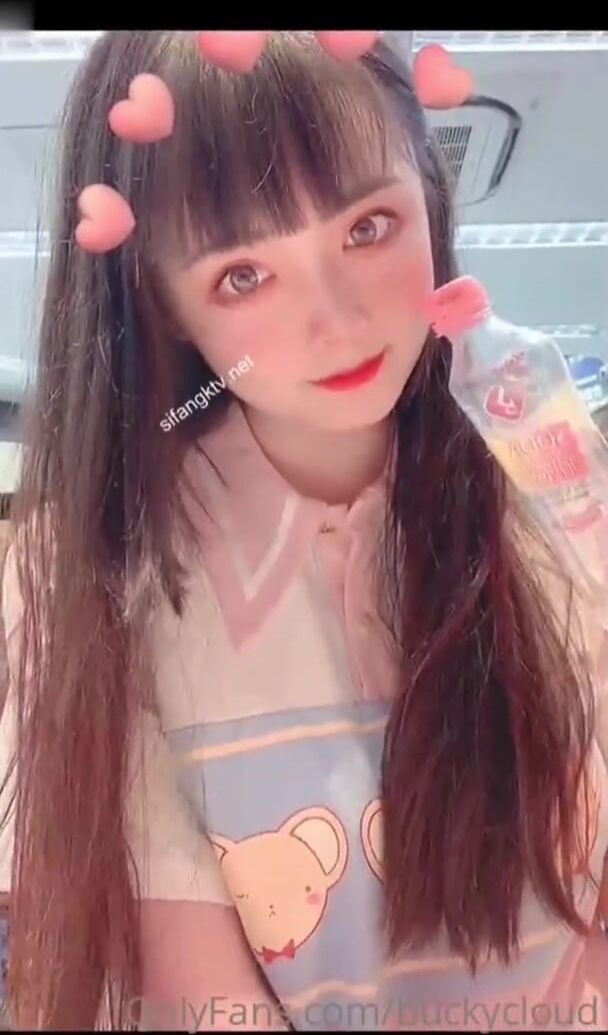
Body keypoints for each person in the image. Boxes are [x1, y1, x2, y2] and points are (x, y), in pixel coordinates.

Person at [0, 29, 606, 1032]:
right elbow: (196, 994)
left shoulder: (552, 472)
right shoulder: (87, 578)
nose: (335, 318)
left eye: (369, 226)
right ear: (161, 302)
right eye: (243, 275)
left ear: (429, 197)